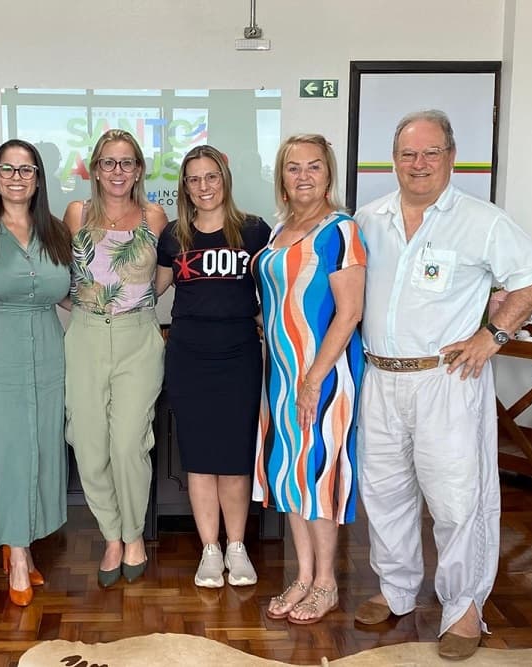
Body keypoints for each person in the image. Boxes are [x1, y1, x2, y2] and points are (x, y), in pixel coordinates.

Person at [354, 109, 532, 660]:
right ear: (393, 160)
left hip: (446, 380)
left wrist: (494, 334)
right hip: (380, 376)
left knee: (457, 500)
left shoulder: (480, 220)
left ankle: (464, 608)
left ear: (451, 157)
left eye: (431, 152)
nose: (418, 163)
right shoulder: (368, 219)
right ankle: (396, 589)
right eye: (408, 154)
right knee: (385, 494)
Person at [253, 134, 367, 625]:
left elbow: (349, 313)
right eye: (293, 167)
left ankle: (326, 583)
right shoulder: (280, 230)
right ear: (282, 176)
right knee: (289, 473)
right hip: (281, 374)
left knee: (319, 475)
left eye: (314, 166)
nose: (303, 176)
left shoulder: (340, 230)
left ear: (328, 175)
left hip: (324, 375)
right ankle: (302, 576)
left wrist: (314, 379)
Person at [0, 139, 72, 607]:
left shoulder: (56, 231)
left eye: (26, 170)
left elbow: (69, 293)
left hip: (48, 349)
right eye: (7, 169)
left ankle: (20, 540)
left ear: (38, 179)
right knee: (4, 451)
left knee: (41, 447)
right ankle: (19, 556)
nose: (16, 177)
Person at [155, 145, 270, 589]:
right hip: (188, 355)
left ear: (225, 179)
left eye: (211, 177)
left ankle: (236, 546)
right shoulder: (174, 236)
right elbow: (150, 290)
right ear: (185, 187)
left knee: (235, 457)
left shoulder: (254, 231)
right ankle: (210, 550)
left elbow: (272, 294)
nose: (203, 186)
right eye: (194, 179)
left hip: (239, 355)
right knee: (200, 457)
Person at [62, 129, 168, 588]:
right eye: (108, 162)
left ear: (139, 170)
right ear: (95, 169)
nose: (117, 171)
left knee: (128, 444)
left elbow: (162, 277)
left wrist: (132, 308)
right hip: (85, 336)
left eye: (127, 162)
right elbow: (61, 277)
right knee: (88, 445)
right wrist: (89, 307)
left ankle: (133, 534)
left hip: (137, 338)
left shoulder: (154, 216)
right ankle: (111, 535)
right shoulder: (77, 213)